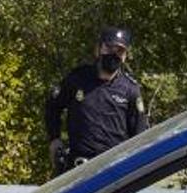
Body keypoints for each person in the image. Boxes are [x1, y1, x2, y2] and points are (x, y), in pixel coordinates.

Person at [45, 27, 148, 172]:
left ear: (125, 56)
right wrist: (54, 139)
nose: (114, 54)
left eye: (119, 51)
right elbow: (52, 107)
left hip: (114, 171)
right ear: (98, 49)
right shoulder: (77, 79)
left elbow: (139, 134)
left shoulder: (130, 90)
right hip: (77, 168)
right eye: (109, 47)